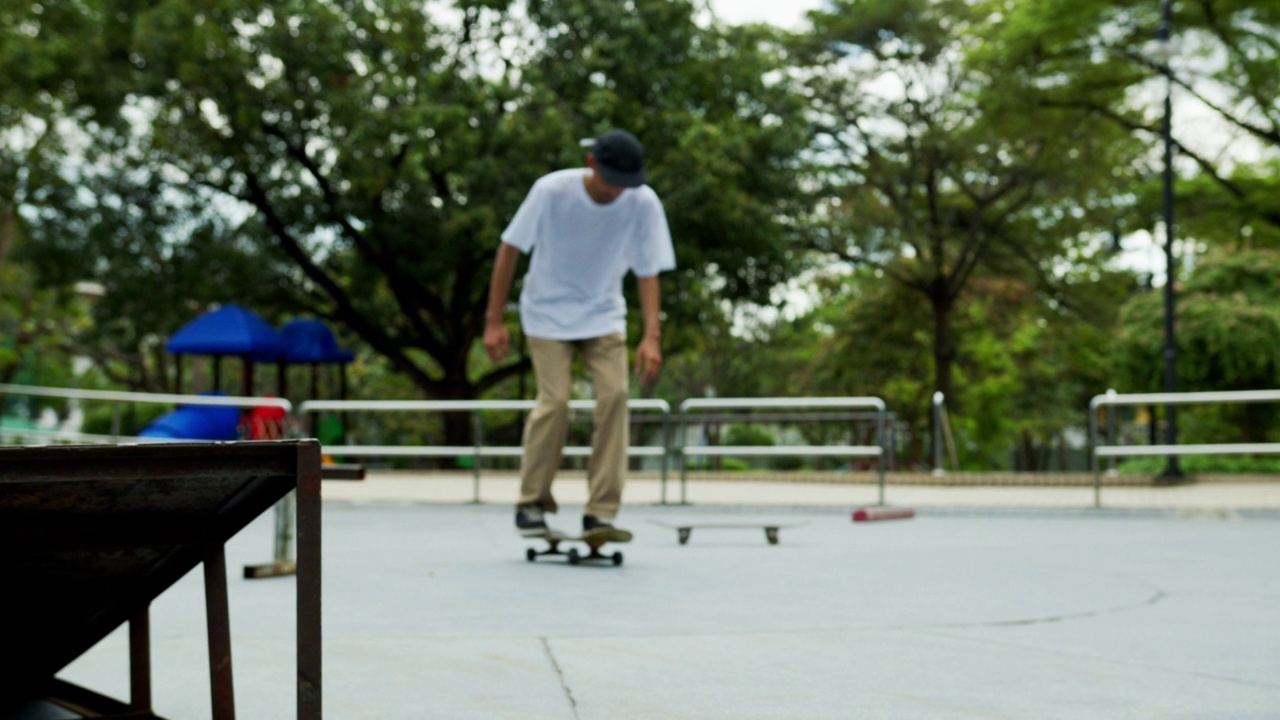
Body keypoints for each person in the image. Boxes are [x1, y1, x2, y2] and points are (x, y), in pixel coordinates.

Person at [483, 129, 676, 538]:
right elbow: (509, 249)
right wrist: (494, 320)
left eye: (626, 185)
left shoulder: (642, 202)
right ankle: (532, 501)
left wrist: (652, 336)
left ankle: (601, 510)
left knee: (616, 396)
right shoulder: (551, 191)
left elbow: (648, 271)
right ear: (591, 164)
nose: (617, 193)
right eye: (611, 183)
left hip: (604, 315)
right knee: (555, 402)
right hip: (547, 314)